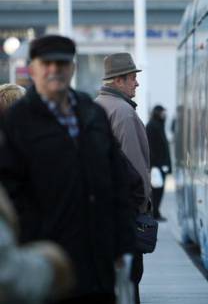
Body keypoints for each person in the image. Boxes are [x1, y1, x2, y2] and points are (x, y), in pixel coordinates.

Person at [0, 35, 135, 304]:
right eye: (46, 63)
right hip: (50, 263)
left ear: (72, 68)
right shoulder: (19, 119)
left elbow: (117, 181)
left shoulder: (91, 112)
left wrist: (122, 243)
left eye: (61, 64)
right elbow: (10, 189)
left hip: (99, 262)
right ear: (34, 69)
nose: (54, 70)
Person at [95, 52, 152, 304]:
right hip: (125, 215)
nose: (136, 83)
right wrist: (143, 208)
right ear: (117, 81)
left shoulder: (96, 107)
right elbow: (135, 167)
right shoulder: (123, 113)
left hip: (102, 214)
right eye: (132, 78)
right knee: (130, 281)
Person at [146, 105, 172, 221]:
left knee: (159, 191)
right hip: (157, 166)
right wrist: (155, 164)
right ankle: (154, 213)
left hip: (160, 165)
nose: (164, 115)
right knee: (156, 191)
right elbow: (151, 147)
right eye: (162, 112)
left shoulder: (158, 125)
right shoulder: (152, 126)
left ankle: (155, 212)